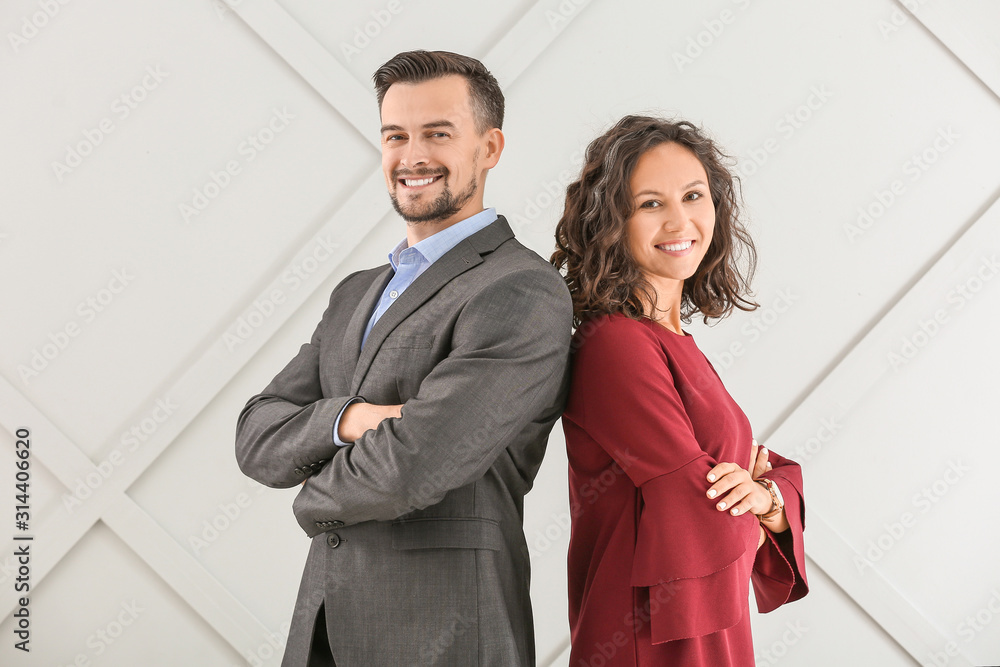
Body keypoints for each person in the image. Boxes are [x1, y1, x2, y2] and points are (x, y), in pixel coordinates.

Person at [236, 50, 573, 666]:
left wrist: (307, 493)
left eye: (438, 134)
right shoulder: (355, 293)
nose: (412, 156)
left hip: (449, 635)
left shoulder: (520, 290)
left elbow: (413, 467)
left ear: (490, 147)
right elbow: (257, 435)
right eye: (396, 136)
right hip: (326, 628)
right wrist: (352, 418)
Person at [551, 115, 808, 665]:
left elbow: (752, 475)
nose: (679, 220)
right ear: (611, 222)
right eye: (650, 203)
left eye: (693, 195)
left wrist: (766, 496)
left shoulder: (671, 339)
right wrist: (762, 504)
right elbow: (700, 504)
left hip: (702, 622)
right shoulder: (615, 345)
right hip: (650, 633)